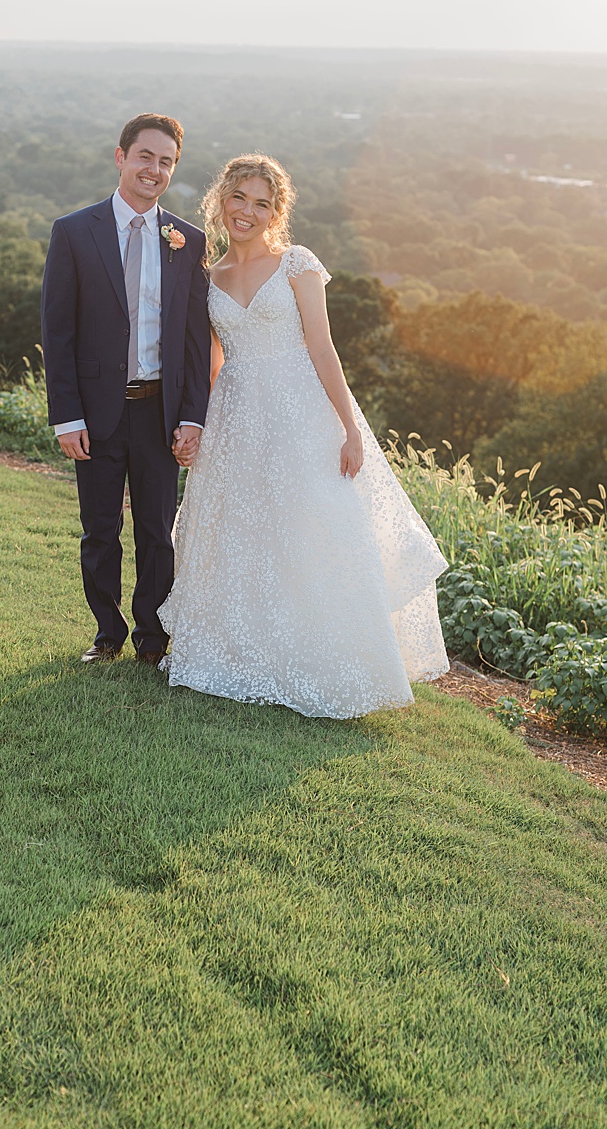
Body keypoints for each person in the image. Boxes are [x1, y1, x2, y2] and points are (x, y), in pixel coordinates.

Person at [156, 154, 447, 719]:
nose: (247, 211)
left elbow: (322, 345)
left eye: (261, 203)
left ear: (276, 212)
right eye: (239, 198)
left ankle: (324, 662)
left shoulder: (296, 263)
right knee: (241, 534)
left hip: (301, 414)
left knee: (310, 530)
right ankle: (237, 656)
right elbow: (213, 362)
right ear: (221, 199)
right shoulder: (208, 277)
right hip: (237, 416)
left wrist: (348, 427)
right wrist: (199, 425)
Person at [41, 113, 212, 666]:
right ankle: (107, 633)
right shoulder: (73, 232)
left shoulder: (188, 241)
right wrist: (67, 416)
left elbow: (193, 340)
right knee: (100, 529)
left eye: (166, 162)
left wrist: (193, 417)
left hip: (160, 410)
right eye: (145, 157)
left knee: (158, 533)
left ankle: (153, 638)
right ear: (121, 157)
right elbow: (58, 330)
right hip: (95, 411)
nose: (154, 169)